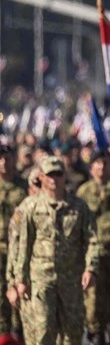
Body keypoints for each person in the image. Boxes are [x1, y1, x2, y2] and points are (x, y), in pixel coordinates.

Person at [16, 156, 100, 344]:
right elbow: (24, 244)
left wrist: (90, 268)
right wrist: (20, 279)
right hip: (41, 278)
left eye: (58, 175)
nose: (54, 180)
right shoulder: (31, 206)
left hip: (71, 279)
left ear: (65, 177)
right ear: (43, 177)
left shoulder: (79, 207)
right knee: (43, 329)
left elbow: (92, 240)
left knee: (73, 332)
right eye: (50, 175)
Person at [76, 149, 110, 345]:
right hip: (93, 251)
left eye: (106, 164)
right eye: (98, 164)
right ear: (91, 168)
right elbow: (96, 205)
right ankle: (95, 331)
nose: (102, 168)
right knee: (94, 299)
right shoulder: (85, 191)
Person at [6, 168, 40, 343]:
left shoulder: (64, 208)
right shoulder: (22, 212)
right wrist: (13, 282)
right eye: (37, 184)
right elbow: (15, 250)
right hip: (27, 280)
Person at [0, 144, 26, 338]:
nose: (3, 163)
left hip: (18, 250)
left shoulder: (24, 186)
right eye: (0, 159)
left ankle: (20, 334)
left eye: (7, 158)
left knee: (21, 298)